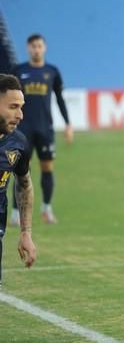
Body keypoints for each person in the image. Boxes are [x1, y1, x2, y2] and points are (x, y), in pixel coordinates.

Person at [10, 33, 73, 225]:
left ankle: (46, 209)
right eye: (33, 46)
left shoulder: (52, 71)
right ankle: (15, 213)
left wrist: (68, 124)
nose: (36, 49)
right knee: (20, 170)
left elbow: (60, 99)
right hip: (23, 129)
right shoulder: (18, 71)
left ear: (44, 48)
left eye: (39, 46)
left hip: (45, 129)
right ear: (28, 48)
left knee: (47, 168)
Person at [0, 74, 37, 286]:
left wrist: (26, 232)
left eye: (21, 107)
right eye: (13, 107)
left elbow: (24, 185)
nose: (20, 115)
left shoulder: (18, 144)